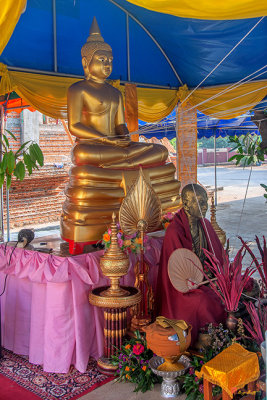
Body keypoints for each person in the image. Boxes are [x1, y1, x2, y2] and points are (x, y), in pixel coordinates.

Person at [60, 17, 180, 250]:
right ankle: (125, 174)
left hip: (116, 149)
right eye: (101, 59)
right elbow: (74, 125)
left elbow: (119, 125)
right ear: (86, 63)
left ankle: (135, 190)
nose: (107, 64)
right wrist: (106, 139)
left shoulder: (115, 94)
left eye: (110, 60)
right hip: (95, 146)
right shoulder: (78, 89)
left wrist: (123, 136)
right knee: (82, 155)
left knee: (159, 151)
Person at [156, 183, 226, 345]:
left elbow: (217, 257)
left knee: (234, 291)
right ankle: (206, 341)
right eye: (200, 202)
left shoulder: (205, 225)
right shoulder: (175, 231)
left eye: (205, 202)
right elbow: (176, 275)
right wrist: (200, 278)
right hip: (183, 289)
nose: (205, 206)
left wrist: (214, 275)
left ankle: (223, 335)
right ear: (186, 204)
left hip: (207, 279)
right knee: (203, 302)